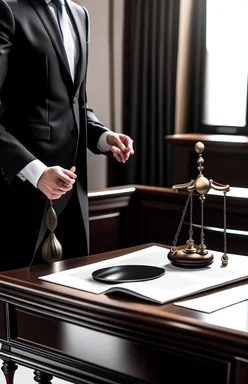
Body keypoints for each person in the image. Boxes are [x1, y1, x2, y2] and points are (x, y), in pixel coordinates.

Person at [0, 0, 134, 271]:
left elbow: (75, 103)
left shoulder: (79, 14)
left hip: (74, 189)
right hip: (21, 191)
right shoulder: (8, 10)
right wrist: (36, 172)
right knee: (17, 298)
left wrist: (103, 137)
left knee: (71, 293)